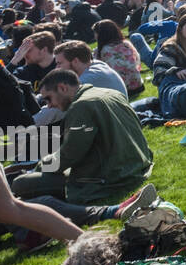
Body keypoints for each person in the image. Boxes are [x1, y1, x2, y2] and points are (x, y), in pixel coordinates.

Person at [9, 68, 153, 206]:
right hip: (136, 163)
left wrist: (39, 167)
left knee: (20, 183)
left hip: (111, 176)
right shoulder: (109, 93)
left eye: (49, 99)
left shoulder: (81, 106)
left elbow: (69, 155)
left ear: (62, 88)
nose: (50, 105)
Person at [53, 40, 129, 97]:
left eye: (60, 63)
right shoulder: (96, 65)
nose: (57, 68)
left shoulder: (88, 79)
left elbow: (58, 107)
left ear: (75, 61)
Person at [93, 19, 144, 95]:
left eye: (95, 33)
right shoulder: (126, 44)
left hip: (121, 89)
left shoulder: (101, 51)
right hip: (138, 85)